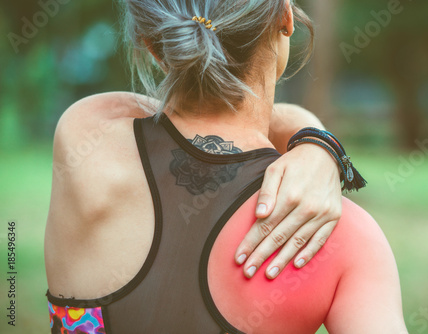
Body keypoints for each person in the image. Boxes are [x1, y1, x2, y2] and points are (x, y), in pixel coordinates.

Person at [44, 0, 408, 333]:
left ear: (152, 44)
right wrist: (320, 142)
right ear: (285, 17)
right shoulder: (338, 234)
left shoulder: (86, 135)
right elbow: (258, 118)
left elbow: (172, 117)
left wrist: (316, 142)